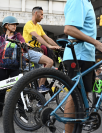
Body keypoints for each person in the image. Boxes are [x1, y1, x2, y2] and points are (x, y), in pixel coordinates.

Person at [63, 0, 102, 132]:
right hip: (79, 55)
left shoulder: (87, 2)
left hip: (85, 55)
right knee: (75, 96)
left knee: (81, 96)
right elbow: (69, 29)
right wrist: (96, 43)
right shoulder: (78, 1)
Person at [23, 6, 60, 93]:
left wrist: (58, 47)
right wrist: (48, 46)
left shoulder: (39, 26)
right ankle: (40, 87)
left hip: (36, 52)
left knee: (42, 74)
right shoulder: (29, 24)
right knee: (49, 62)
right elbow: (37, 37)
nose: (42, 17)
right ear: (36, 13)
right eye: (42, 15)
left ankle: (40, 98)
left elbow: (48, 38)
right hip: (28, 51)